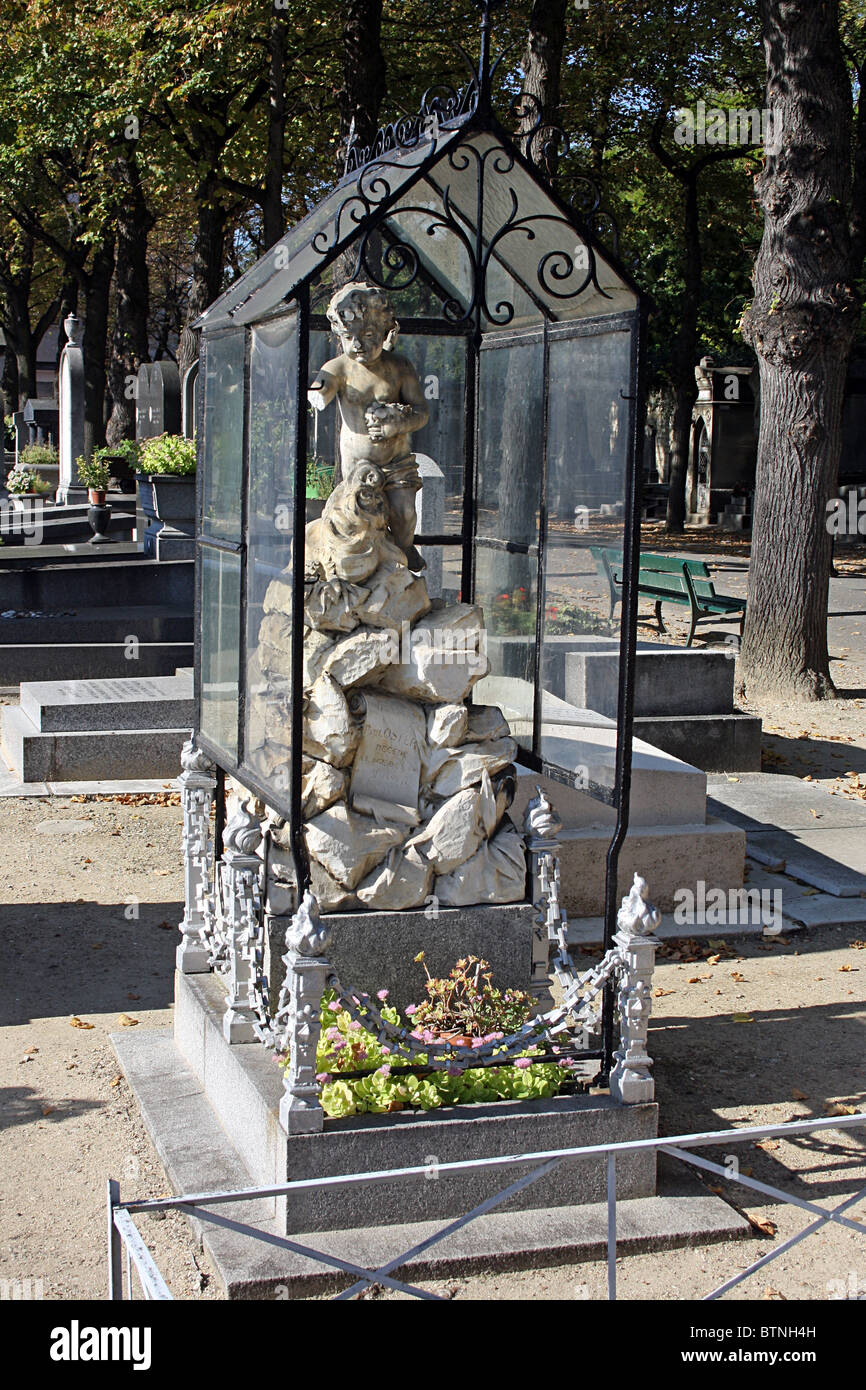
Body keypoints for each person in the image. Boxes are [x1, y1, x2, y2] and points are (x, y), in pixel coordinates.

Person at [308, 281, 429, 570]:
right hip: (358, 465)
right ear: (340, 336)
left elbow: (423, 412)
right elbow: (319, 390)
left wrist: (396, 423)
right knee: (359, 523)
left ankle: (402, 557)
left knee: (405, 514)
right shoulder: (338, 367)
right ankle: (362, 570)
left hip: (397, 460)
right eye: (349, 338)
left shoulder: (399, 367)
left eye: (369, 336)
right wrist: (318, 394)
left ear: (385, 332)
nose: (358, 345)